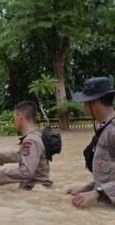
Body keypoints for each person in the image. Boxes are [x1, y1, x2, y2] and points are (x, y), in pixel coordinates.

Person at [67, 76, 115, 208]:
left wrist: (97, 193)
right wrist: (89, 187)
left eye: (85, 102)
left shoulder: (112, 131)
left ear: (94, 102)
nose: (82, 106)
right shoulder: (104, 128)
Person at [0, 101, 52, 190]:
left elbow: (27, 171)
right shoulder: (37, 136)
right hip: (40, 189)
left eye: (15, 117)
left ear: (20, 117)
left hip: (35, 191)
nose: (14, 121)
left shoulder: (31, 140)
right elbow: (20, 155)